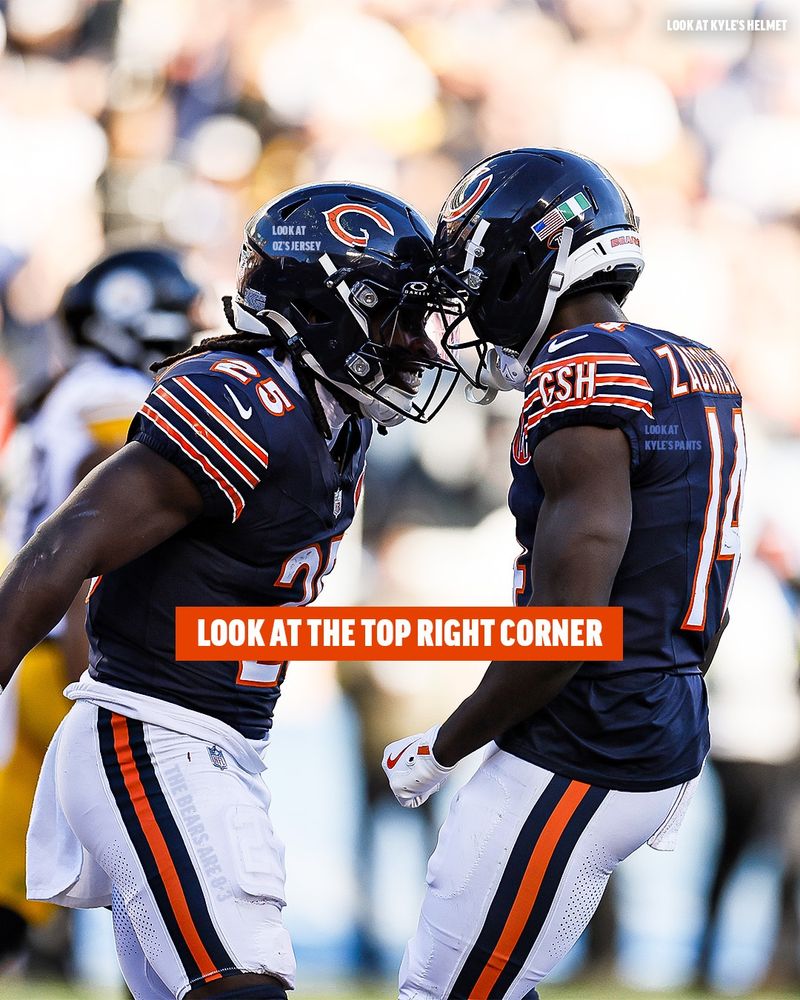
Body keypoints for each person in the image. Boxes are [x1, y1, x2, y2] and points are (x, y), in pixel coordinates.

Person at [0, 182, 456, 1000]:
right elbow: (66, 546)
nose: (419, 346)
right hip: (153, 732)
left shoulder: (333, 415)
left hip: (217, 740)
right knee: (240, 989)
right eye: (397, 316)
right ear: (328, 305)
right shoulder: (248, 400)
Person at [382, 148, 747, 1000]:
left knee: (447, 994)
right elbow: (697, 593)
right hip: (653, 719)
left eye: (476, 270)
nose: (468, 300)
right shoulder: (693, 361)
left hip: (586, 738)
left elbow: (567, 628)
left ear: (530, 257)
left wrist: (442, 749)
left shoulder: (580, 375)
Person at [0, 247, 201, 965]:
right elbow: (112, 519)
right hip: (70, 648)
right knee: (145, 859)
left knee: (29, 869)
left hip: (37, 645)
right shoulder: (107, 393)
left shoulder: (67, 387)